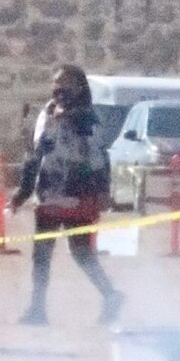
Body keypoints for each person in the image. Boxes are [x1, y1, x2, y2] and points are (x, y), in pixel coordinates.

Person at [11, 65, 122, 327]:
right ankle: (37, 309)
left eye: (65, 83)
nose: (59, 88)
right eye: (56, 82)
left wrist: (102, 190)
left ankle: (111, 295)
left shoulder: (87, 119)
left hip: (77, 195)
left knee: (81, 252)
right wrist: (23, 191)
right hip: (49, 193)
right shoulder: (47, 113)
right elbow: (36, 154)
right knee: (41, 254)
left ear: (79, 87)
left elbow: (99, 157)